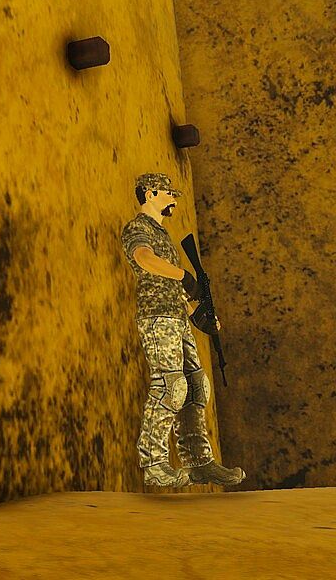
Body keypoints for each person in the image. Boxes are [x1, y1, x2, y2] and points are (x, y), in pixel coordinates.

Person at [121, 173, 247, 489]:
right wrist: (184, 275)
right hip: (157, 317)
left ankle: (199, 462)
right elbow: (143, 259)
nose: (174, 199)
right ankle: (154, 464)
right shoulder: (138, 228)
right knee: (170, 386)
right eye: (169, 193)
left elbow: (175, 288)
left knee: (195, 386)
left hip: (176, 316)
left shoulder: (162, 233)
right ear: (150, 194)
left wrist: (199, 316)